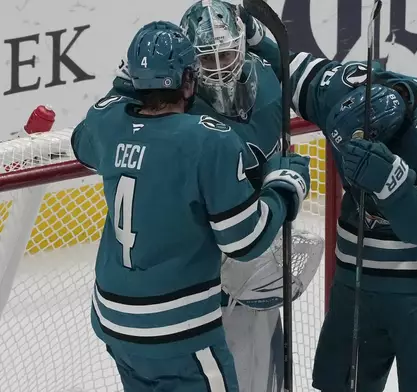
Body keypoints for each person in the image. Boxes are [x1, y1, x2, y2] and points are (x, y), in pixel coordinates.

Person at [71, 20, 310, 392]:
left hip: (114, 322)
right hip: (177, 331)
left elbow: (79, 143)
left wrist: (124, 85)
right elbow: (244, 240)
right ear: (188, 81)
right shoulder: (208, 140)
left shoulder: (106, 122)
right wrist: (285, 189)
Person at [248, 29, 417, 392]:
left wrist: (393, 184)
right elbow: (295, 71)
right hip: (354, 283)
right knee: (336, 383)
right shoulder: (342, 87)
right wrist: (255, 38)